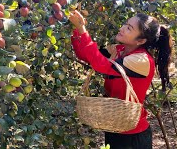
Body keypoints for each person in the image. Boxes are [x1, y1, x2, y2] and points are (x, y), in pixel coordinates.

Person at [69, 10, 172, 149]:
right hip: (115, 126)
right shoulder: (118, 50)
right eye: (125, 24)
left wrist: (82, 29)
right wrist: (77, 30)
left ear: (141, 41)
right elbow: (86, 55)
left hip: (132, 135)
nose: (122, 28)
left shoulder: (141, 60)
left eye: (129, 28)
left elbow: (100, 64)